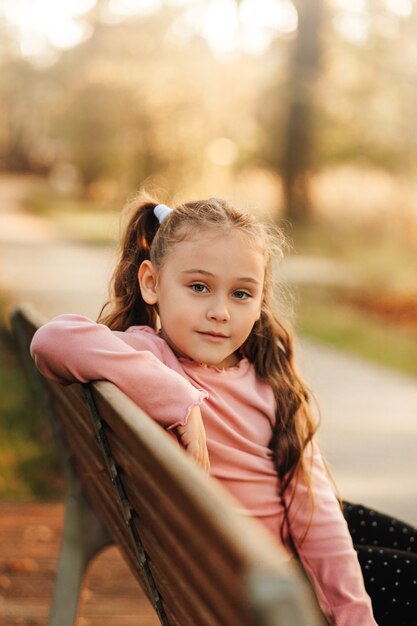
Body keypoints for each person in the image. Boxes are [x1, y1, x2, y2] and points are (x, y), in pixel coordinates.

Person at [30, 195, 416, 626]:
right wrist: (180, 400)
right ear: (151, 282)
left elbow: (317, 511)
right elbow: (52, 339)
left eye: (241, 294)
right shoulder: (154, 357)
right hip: (278, 574)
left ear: (260, 301)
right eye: (198, 287)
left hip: (303, 542)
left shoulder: (268, 380)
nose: (219, 312)